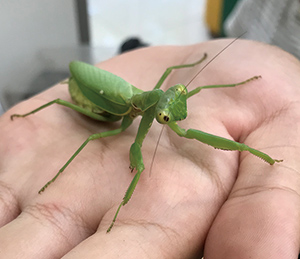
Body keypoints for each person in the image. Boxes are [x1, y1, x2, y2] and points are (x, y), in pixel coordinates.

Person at [0, 39, 299, 258]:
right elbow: (123, 139)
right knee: (87, 129)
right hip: (92, 97)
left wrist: (222, 80)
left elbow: (190, 87)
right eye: (165, 118)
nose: (174, 124)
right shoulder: (129, 111)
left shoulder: (154, 99)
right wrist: (57, 180)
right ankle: (114, 201)